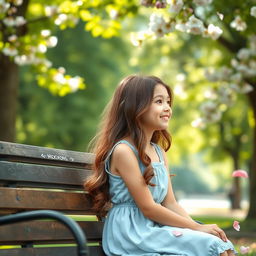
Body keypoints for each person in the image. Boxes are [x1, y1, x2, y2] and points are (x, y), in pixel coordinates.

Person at [84, 75, 237, 256]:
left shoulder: (158, 152)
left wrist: (196, 228)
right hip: (132, 233)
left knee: (220, 244)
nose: (167, 108)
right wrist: (196, 228)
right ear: (136, 107)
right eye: (159, 101)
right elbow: (148, 207)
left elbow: (170, 203)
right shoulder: (124, 151)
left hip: (154, 227)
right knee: (211, 246)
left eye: (168, 102)